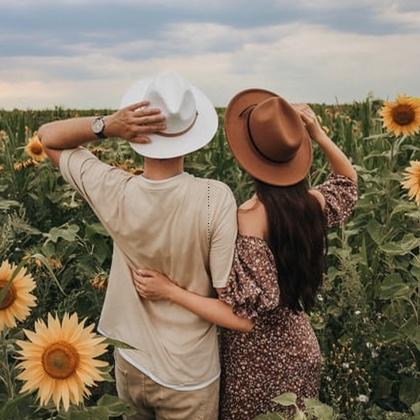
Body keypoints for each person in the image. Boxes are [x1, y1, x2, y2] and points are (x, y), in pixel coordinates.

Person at [132, 89, 359, 419]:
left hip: (256, 364)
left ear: (247, 159)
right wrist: (318, 133)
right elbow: (348, 183)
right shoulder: (310, 205)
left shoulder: (246, 221)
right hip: (302, 350)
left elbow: (242, 319)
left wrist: (169, 291)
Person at [38, 71, 238, 420]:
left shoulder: (113, 188)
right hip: (188, 375)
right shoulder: (214, 198)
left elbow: (47, 138)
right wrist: (171, 291)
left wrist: (108, 126)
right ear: (192, 134)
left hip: (130, 362)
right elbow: (229, 299)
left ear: (138, 131)